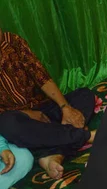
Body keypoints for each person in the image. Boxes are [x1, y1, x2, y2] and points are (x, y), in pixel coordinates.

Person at [0, 29, 96, 179]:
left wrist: (65, 107)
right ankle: (85, 135)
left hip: (45, 107)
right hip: (19, 119)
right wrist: (28, 114)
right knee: (7, 124)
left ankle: (54, 154)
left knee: (84, 95)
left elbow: (41, 76)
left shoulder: (12, 41)